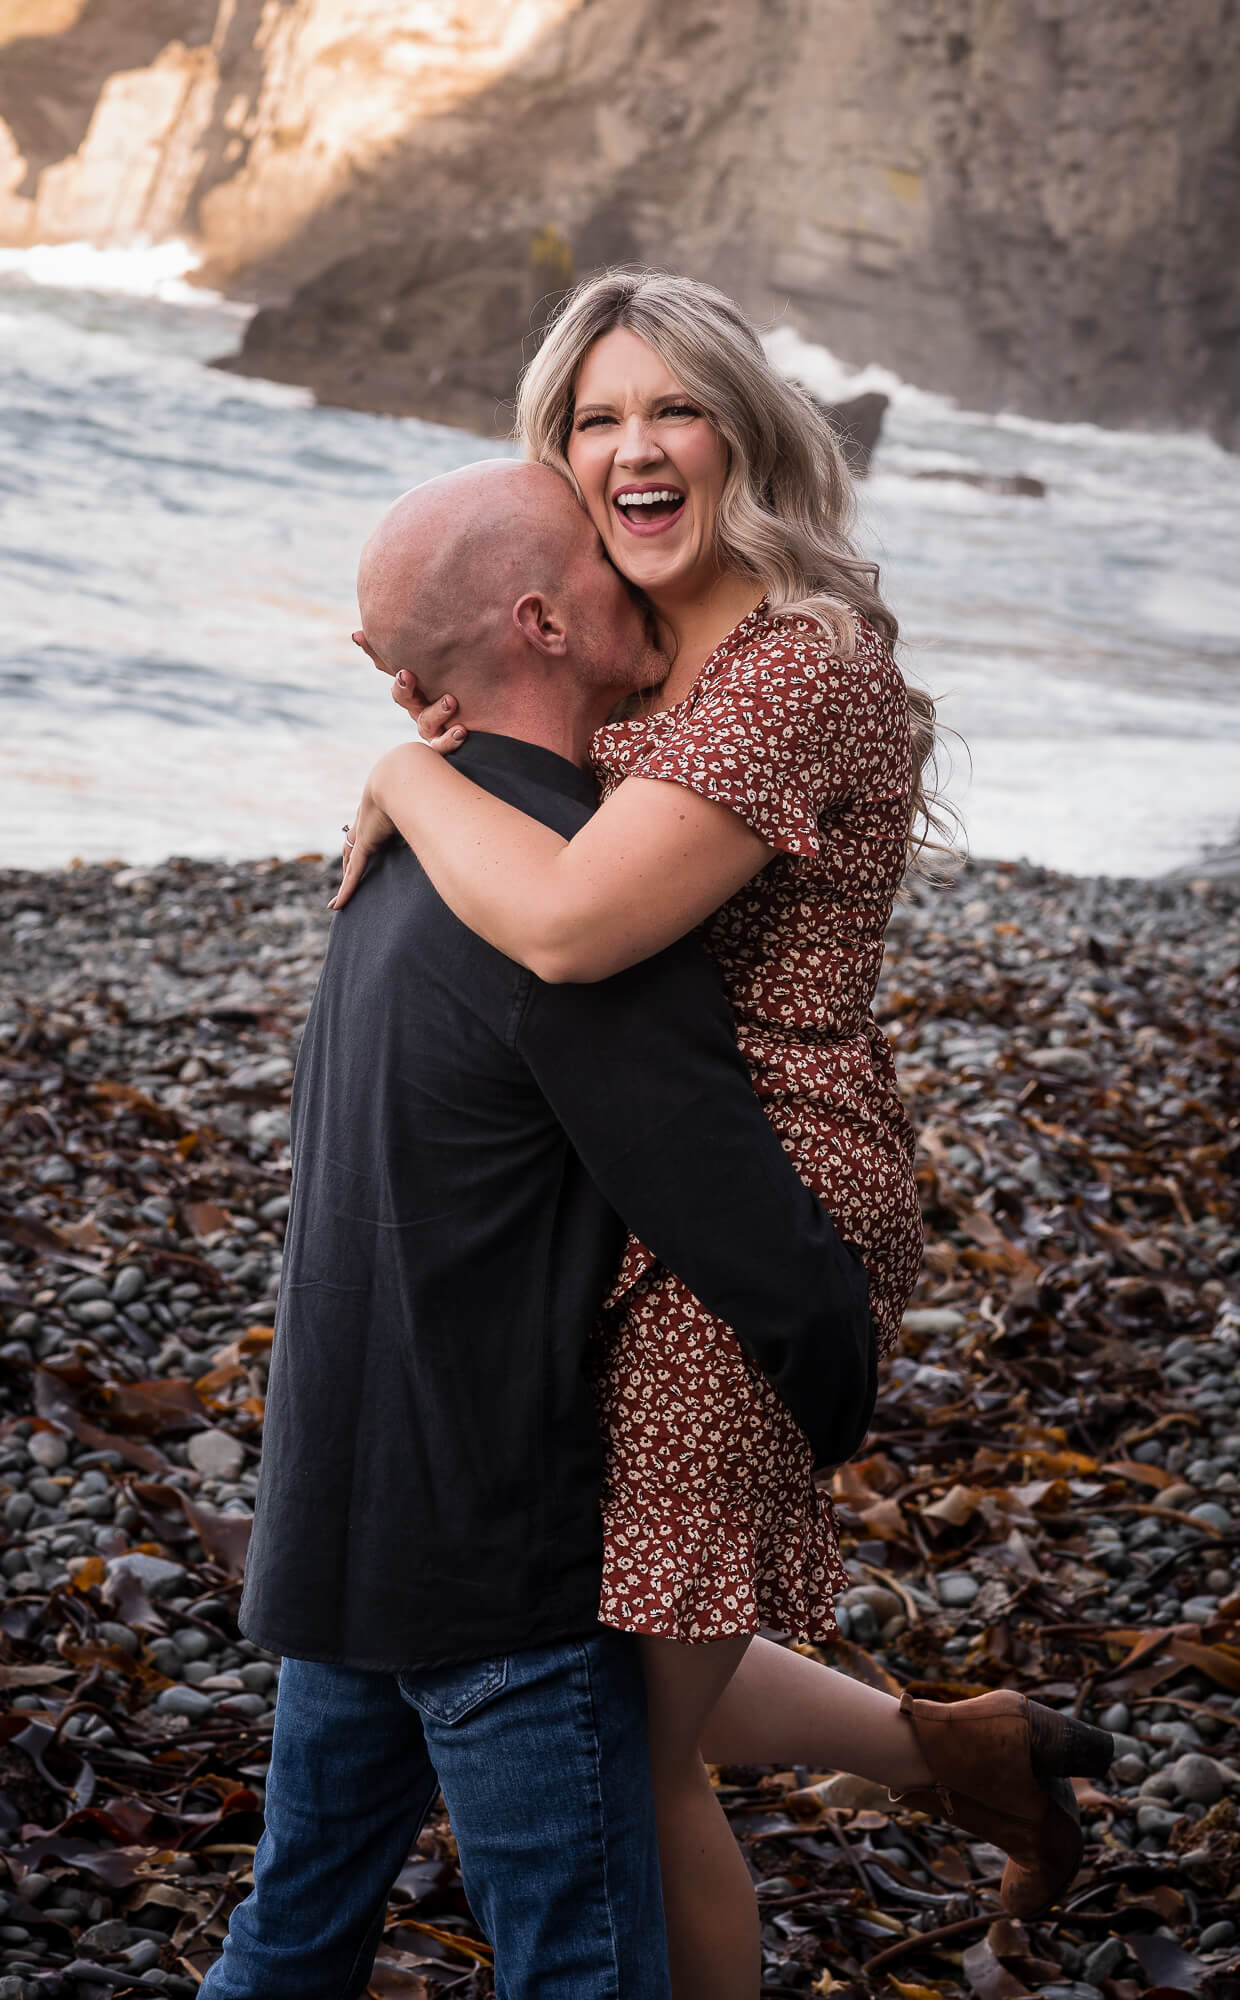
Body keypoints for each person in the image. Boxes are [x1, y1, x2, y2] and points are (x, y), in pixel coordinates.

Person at [340, 271, 1113, 1999]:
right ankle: (968, 1754)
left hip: (746, 1199)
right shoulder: (618, 648)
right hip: (621, 1174)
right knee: (612, 1629)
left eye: (672, 409)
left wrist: (401, 782)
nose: (634, 449)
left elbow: (566, 928)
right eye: (594, 420)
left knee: (627, 1741)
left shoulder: (796, 668)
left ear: (744, 434)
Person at [201, 459, 884, 2000]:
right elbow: (731, 1211)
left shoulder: (402, 861)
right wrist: (839, 1381)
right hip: (493, 1566)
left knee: (289, 1942)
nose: (637, 574)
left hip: (336, 1530)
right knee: (582, 1974)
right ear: (543, 622)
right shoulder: (571, 900)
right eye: (598, 556)